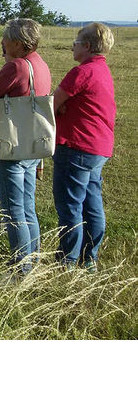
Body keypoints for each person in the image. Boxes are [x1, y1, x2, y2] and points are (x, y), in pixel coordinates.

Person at [0, 18, 52, 279]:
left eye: (6, 39)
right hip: (32, 143)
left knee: (13, 209)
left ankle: (21, 269)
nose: (2, 43)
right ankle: (32, 259)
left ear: (17, 43)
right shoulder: (40, 63)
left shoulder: (17, 66)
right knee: (27, 205)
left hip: (12, 144)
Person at [52, 22, 116, 272]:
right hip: (98, 147)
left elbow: (52, 105)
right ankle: (89, 259)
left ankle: (66, 262)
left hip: (76, 145)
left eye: (76, 43)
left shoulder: (81, 72)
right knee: (92, 203)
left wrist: (60, 107)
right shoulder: (102, 70)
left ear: (87, 46)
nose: (73, 47)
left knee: (70, 206)